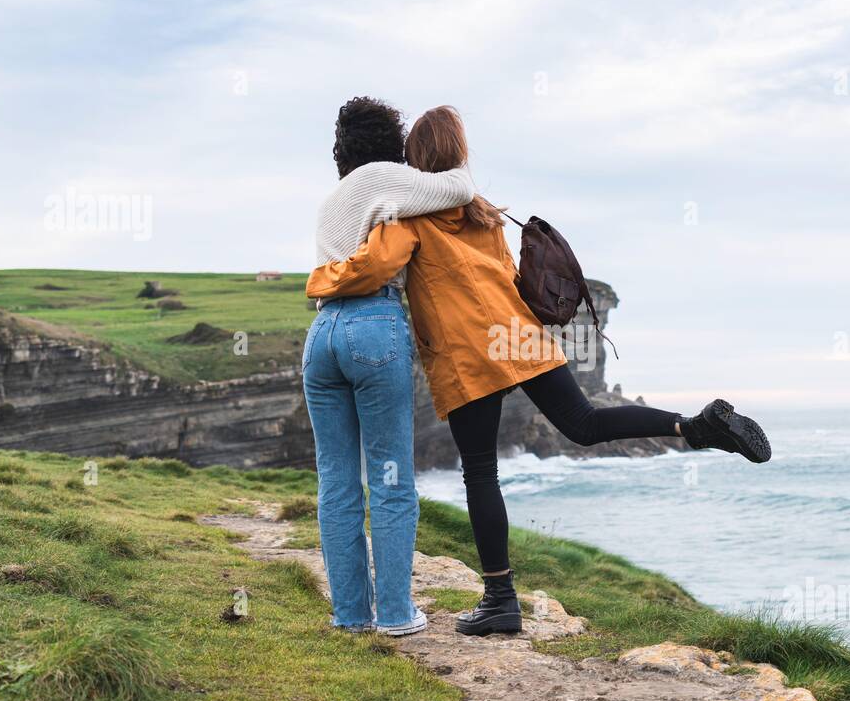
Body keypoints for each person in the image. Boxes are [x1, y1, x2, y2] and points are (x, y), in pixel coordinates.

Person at [306, 106, 771, 636]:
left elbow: (376, 266)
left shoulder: (409, 216)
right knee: (585, 423)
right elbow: (506, 273)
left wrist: (321, 280)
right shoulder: (482, 211)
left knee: (481, 471)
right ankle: (693, 426)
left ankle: (501, 600)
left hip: (468, 352)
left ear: (413, 161)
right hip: (517, 334)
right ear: (458, 154)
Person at [302, 97, 476, 636]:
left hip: (322, 333)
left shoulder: (331, 200)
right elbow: (460, 188)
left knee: (336, 480)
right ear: (390, 142)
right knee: (391, 477)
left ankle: (350, 615)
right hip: (374, 326)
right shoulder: (383, 177)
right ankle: (398, 615)